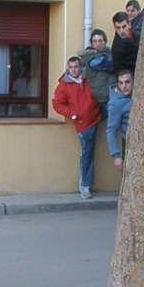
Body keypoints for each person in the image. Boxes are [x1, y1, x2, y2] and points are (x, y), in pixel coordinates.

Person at [52, 57, 102, 199]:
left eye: (76, 66)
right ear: (68, 69)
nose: (74, 69)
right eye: (71, 67)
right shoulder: (63, 85)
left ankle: (86, 184)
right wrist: (73, 114)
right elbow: (57, 104)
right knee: (87, 154)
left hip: (96, 117)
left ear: (80, 68)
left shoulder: (86, 80)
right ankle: (85, 186)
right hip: (83, 125)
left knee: (90, 153)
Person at [78, 28, 116, 120]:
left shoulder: (112, 54)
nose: (97, 44)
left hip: (112, 98)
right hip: (95, 100)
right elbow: (110, 66)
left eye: (100, 40)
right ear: (91, 43)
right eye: (95, 41)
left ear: (105, 42)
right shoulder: (87, 57)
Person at [106, 70, 134, 171]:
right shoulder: (115, 103)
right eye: (121, 83)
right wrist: (116, 156)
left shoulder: (136, 95)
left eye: (127, 82)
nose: (124, 86)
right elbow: (111, 130)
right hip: (130, 144)